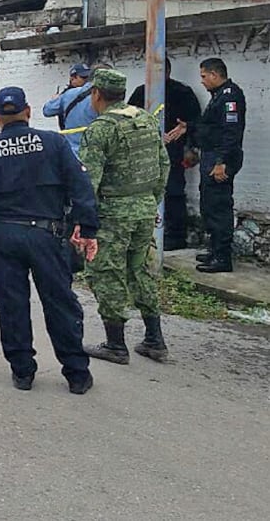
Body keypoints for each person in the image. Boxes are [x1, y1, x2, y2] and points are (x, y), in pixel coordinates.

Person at [0, 87, 99, 394]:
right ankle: (76, 373)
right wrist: (87, 229)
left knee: (11, 304)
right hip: (47, 236)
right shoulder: (55, 143)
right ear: (29, 111)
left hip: (4, 236)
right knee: (60, 303)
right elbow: (81, 186)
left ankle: (23, 371)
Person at [79, 68, 170, 365]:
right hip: (143, 208)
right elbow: (163, 165)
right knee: (139, 270)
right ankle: (154, 339)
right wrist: (151, 202)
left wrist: (83, 221)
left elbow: (88, 182)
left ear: (96, 94)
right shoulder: (145, 119)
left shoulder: (101, 129)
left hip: (113, 213)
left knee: (107, 272)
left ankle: (116, 345)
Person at [176, 58, 246, 273]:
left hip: (219, 159)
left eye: (204, 76)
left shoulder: (229, 97)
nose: (202, 81)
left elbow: (230, 133)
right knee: (209, 206)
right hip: (211, 156)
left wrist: (221, 162)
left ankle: (222, 258)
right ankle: (215, 250)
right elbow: (211, 127)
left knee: (218, 207)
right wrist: (189, 127)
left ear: (215, 75)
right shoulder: (218, 96)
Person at [128, 58, 202, 251]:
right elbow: (128, 121)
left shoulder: (182, 93)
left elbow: (195, 123)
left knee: (174, 192)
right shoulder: (141, 92)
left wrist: (192, 148)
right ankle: (146, 232)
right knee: (144, 193)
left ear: (168, 71)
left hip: (174, 152)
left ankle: (176, 236)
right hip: (145, 152)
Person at [41, 63, 96, 154]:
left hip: (73, 149)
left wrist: (54, 100)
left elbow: (47, 110)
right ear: (72, 78)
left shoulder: (66, 96)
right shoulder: (96, 94)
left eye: (87, 77)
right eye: (83, 77)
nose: (86, 80)